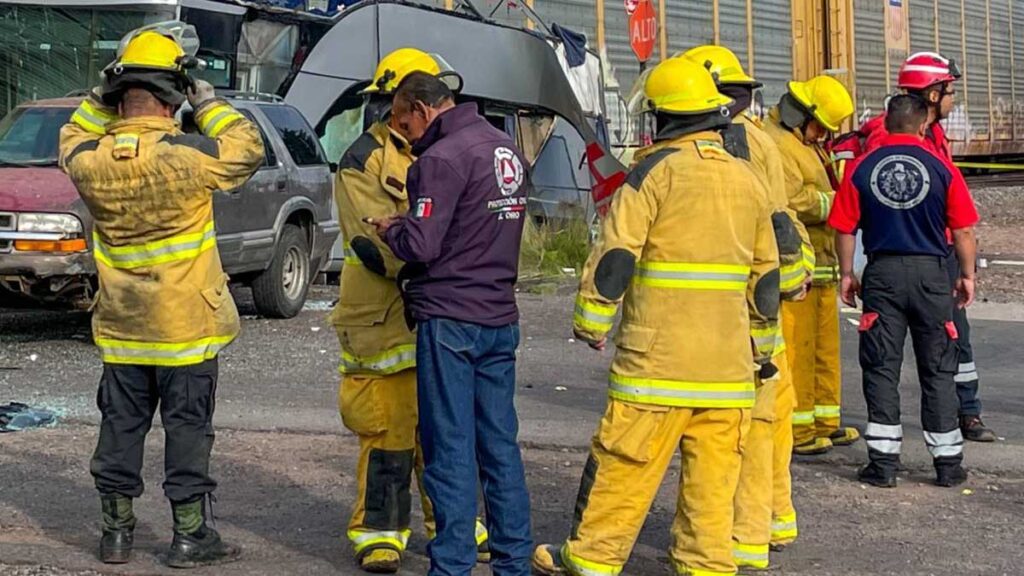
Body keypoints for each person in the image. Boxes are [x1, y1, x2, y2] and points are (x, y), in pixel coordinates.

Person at [531, 56, 780, 576]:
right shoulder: (747, 181)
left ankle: (593, 557)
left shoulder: (651, 174)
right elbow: (766, 282)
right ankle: (706, 564)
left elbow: (616, 259)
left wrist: (592, 323)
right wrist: (760, 348)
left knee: (624, 464)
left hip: (657, 366)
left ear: (663, 118)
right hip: (728, 372)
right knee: (713, 484)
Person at [58, 23, 264, 567]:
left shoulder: (89, 160)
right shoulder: (187, 155)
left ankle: (116, 535)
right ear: (174, 96)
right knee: (188, 432)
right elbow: (248, 149)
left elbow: (71, 137)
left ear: (116, 96)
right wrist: (210, 102)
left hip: (123, 328)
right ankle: (190, 536)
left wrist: (105, 93)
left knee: (120, 429)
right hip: (186, 330)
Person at [368, 72, 533, 576]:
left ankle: (453, 564)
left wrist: (393, 228)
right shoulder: (504, 148)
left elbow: (423, 245)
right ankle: (514, 562)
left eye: (404, 124)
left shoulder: (439, 160)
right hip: (499, 315)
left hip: (451, 320)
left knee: (450, 449)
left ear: (421, 108)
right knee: (500, 445)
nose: (405, 137)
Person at [332, 48, 489, 573]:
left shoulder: (451, 150)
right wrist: (432, 271)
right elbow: (369, 244)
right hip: (383, 317)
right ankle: (380, 531)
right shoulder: (363, 160)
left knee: (445, 427)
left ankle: (456, 522)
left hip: (440, 312)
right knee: (390, 429)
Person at [681, 45, 808, 569]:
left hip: (730, 316)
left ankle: (737, 538)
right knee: (767, 424)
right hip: (765, 307)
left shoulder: (723, 147)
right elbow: (781, 224)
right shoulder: (761, 140)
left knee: (736, 432)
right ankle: (764, 529)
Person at [827, 52, 995, 443]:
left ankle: (963, 412)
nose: (953, 99)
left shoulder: (927, 133)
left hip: (917, 258)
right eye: (949, 91)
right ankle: (956, 422)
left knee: (936, 346)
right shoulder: (900, 140)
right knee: (932, 349)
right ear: (932, 96)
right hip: (920, 261)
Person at [765, 76, 859, 456]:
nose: (822, 135)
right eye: (820, 126)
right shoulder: (776, 144)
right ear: (799, 115)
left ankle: (825, 421)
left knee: (825, 349)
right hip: (798, 268)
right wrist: (836, 204)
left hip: (822, 264)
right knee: (799, 351)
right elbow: (790, 199)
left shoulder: (804, 143)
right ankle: (799, 430)